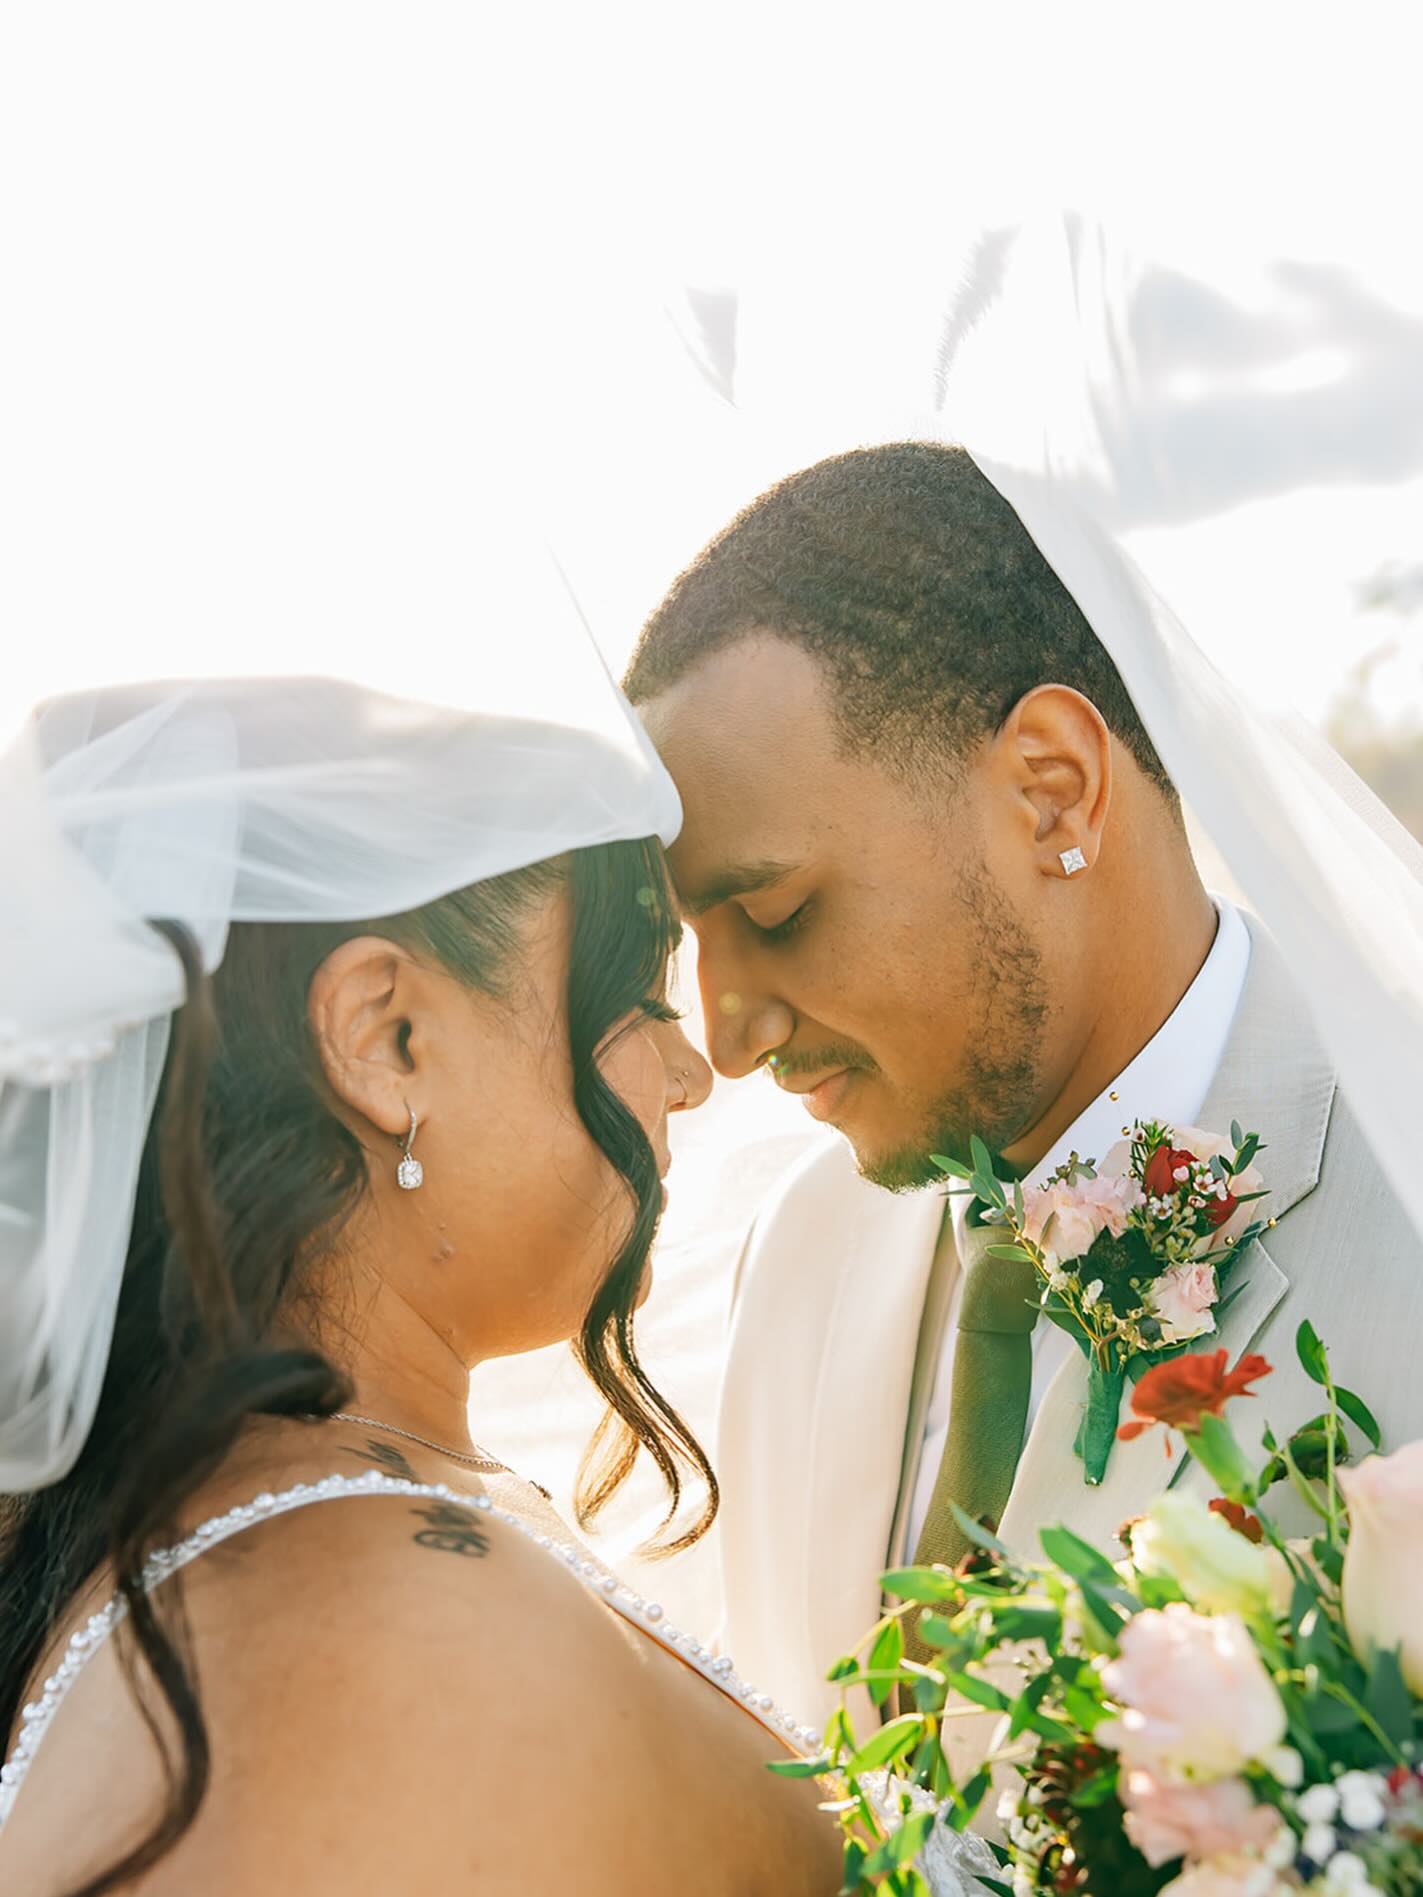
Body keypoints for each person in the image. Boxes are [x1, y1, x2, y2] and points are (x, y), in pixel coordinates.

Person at [624, 436, 1423, 1728]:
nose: (721, 1036)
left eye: (772, 910)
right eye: (687, 942)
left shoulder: (1405, 1193)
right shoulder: (795, 1256)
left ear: (1049, 794)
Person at [0, 667, 841, 1895]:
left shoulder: (331, 1522)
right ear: (388, 1041)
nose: (688, 1068)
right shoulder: (373, 1643)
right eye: (638, 990)